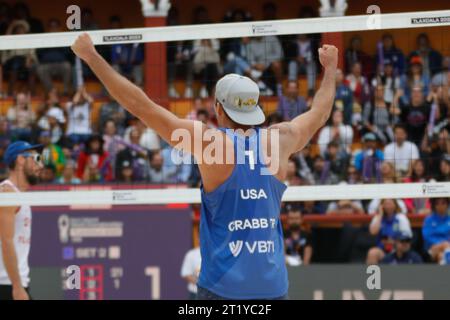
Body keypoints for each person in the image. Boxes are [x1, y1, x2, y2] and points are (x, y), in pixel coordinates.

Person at [71, 33, 338, 300]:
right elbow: (321, 113)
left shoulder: (209, 143)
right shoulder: (281, 140)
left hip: (223, 287)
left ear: (219, 109)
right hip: (272, 287)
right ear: (254, 109)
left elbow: (141, 107)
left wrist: (91, 56)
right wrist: (330, 68)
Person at [0, 141, 43, 300]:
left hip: (14, 283)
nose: (41, 165)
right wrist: (17, 287)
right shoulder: (7, 192)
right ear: (20, 160)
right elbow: (6, 241)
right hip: (6, 285)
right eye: (37, 158)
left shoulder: (17, 195)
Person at [366, 198, 411, 264]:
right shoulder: (378, 217)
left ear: (395, 205)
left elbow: (407, 235)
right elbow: (373, 232)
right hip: (382, 249)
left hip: (397, 248)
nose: (388, 206)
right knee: (372, 253)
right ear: (382, 206)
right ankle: (373, 274)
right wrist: (380, 214)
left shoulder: (401, 217)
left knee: (401, 248)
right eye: (386, 204)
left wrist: (394, 241)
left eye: (390, 203)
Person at [422, 197, 450, 264]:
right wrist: (441, 244)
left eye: (443, 203)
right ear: (434, 205)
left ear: (447, 205)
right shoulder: (428, 220)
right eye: (437, 203)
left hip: (447, 247)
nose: (440, 206)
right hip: (432, 248)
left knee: (441, 256)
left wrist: (445, 245)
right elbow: (427, 236)